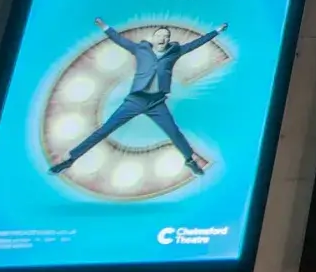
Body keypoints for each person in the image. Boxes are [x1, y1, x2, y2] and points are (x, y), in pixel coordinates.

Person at [50, 19, 227, 177]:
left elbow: (197, 43)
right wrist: (105, 27)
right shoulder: (140, 48)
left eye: (166, 36)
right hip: (135, 100)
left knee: (174, 133)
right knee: (103, 131)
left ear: (168, 39)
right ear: (154, 37)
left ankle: (190, 161)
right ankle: (70, 160)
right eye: (160, 35)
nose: (162, 38)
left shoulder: (175, 51)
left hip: (156, 102)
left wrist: (216, 31)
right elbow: (119, 40)